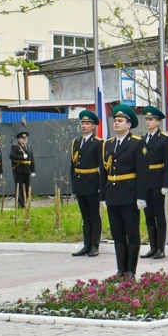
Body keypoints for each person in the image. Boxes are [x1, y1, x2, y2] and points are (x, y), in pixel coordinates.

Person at [100, 104, 148, 279]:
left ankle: (131, 271)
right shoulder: (107, 144)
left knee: (132, 233)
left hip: (130, 195)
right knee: (117, 234)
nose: (116, 123)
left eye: (120, 121)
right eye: (115, 120)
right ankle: (121, 270)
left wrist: (141, 197)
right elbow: (103, 172)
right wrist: (102, 196)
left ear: (129, 124)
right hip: (113, 195)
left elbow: (143, 173)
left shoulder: (137, 143)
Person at [139, 106, 168, 260]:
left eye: (151, 119)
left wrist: (166, 184)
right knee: (148, 215)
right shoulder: (141, 139)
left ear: (158, 122)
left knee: (159, 215)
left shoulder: (164, 139)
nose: (148, 122)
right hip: (145, 182)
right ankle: (152, 247)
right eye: (146, 119)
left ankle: (161, 248)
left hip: (158, 181)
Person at [70, 110, 104, 257]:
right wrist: (74, 185)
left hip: (92, 183)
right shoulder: (76, 142)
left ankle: (95, 245)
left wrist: (101, 187)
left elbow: (102, 167)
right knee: (85, 216)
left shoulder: (98, 143)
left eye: (87, 123)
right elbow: (72, 165)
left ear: (93, 126)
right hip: (80, 183)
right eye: (83, 123)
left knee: (94, 215)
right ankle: (86, 245)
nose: (84, 126)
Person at [10, 131, 35, 208]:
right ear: (19, 139)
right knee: (20, 187)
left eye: (25, 138)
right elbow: (11, 156)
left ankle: (26, 202)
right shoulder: (15, 147)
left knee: (27, 187)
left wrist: (33, 170)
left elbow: (32, 159)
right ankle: (20, 204)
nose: (25, 139)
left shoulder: (29, 147)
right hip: (19, 170)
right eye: (23, 138)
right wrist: (21, 157)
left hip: (27, 170)